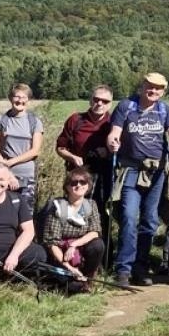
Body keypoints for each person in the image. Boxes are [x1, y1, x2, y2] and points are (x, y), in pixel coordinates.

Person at [106, 73, 169, 287]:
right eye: (150, 86)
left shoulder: (164, 110)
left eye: (158, 89)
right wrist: (112, 142)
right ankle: (123, 269)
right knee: (128, 216)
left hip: (157, 172)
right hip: (131, 170)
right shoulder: (126, 106)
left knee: (150, 220)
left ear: (163, 92)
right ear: (142, 86)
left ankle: (140, 268)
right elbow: (114, 132)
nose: (153, 91)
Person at [53, 85, 117, 251]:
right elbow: (60, 147)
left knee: (101, 212)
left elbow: (121, 148)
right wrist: (73, 157)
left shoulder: (114, 123)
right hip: (77, 176)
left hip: (103, 175)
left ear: (110, 103)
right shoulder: (76, 120)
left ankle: (102, 254)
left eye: (105, 101)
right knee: (74, 211)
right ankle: (72, 250)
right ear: (90, 100)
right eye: (96, 99)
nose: (99, 103)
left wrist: (108, 152)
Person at [39, 167, 106, 290]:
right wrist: (67, 266)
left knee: (98, 245)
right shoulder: (58, 206)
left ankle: (87, 277)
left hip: (79, 247)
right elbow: (51, 242)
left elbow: (95, 232)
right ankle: (72, 278)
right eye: (74, 183)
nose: (78, 185)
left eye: (83, 182)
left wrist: (74, 245)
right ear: (67, 187)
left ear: (88, 186)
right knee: (72, 287)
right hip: (60, 252)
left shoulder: (91, 204)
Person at [0, 83, 45, 207]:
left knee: (25, 213)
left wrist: (11, 162)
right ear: (10, 98)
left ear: (29, 100)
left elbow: (35, 151)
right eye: (16, 97)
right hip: (3, 176)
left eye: (24, 97)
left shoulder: (35, 122)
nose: (20, 100)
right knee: (2, 211)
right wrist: (7, 172)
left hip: (27, 176)